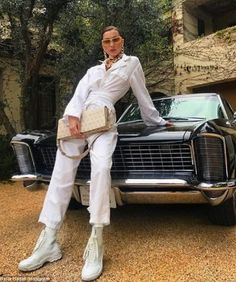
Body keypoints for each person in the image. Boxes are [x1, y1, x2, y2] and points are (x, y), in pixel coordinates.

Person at [18, 26, 171, 281]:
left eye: (115, 40)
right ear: (102, 45)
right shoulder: (93, 70)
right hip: (78, 120)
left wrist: (157, 121)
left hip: (105, 119)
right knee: (61, 171)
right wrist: (72, 116)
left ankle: (96, 240)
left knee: (101, 168)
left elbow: (143, 96)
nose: (111, 45)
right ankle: (48, 240)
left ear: (122, 41)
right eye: (107, 41)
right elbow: (79, 94)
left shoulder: (131, 64)